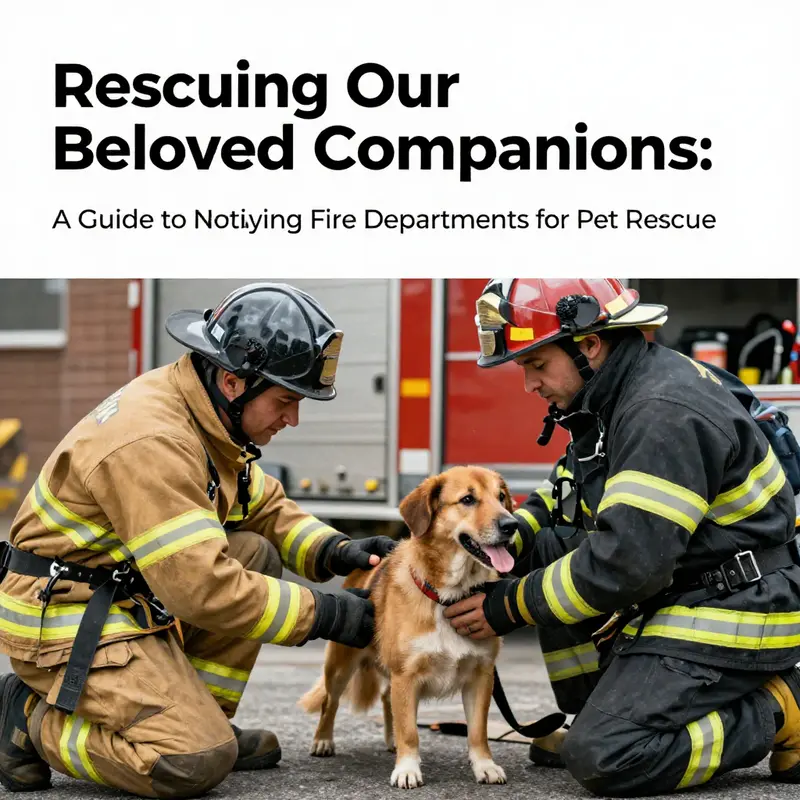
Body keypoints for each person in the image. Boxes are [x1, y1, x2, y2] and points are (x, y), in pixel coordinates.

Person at [0, 283, 394, 796]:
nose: (292, 419)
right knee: (189, 761)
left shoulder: (205, 415)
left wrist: (337, 550)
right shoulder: (155, 440)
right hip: (64, 616)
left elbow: (264, 505)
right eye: (285, 401)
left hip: (114, 593)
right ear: (234, 381)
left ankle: (200, 715)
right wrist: (330, 615)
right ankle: (31, 717)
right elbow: (200, 587)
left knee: (254, 552)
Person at [445, 278, 800, 794]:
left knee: (607, 757)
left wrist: (506, 608)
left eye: (537, 365)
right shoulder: (608, 400)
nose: (529, 385)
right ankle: (601, 710)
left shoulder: (661, 411)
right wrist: (494, 539)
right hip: (692, 584)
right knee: (545, 564)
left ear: (589, 344)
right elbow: (558, 502)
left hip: (740, 604)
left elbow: (626, 564)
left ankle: (782, 707)